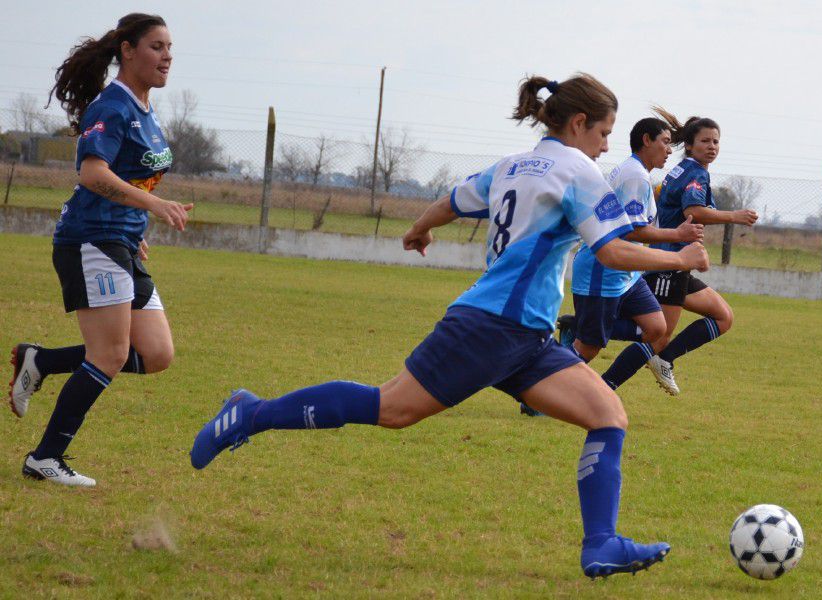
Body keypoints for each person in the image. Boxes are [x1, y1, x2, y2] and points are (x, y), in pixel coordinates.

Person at [189, 74, 708, 578]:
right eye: (603, 132)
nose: (605, 144)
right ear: (578, 123)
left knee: (607, 413)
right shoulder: (577, 170)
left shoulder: (512, 165)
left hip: (525, 336)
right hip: (491, 326)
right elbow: (613, 250)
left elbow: (454, 201)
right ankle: (250, 414)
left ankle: (601, 545)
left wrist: (420, 227)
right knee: (391, 408)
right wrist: (680, 257)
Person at [9, 13, 192, 487]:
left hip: (118, 241)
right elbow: (92, 174)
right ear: (127, 51)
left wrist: (136, 225)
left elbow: (124, 178)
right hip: (89, 242)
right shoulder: (112, 107)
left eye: (170, 47)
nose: (166, 56)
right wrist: (153, 204)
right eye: (156, 46)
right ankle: (45, 458)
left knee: (155, 353)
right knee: (110, 353)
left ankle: (43, 361)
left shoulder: (144, 110)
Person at [544, 118, 704, 399]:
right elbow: (630, 232)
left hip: (626, 274)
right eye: (665, 142)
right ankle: (541, 388)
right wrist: (677, 234)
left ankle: (579, 327)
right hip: (603, 270)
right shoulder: (635, 176)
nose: (669, 150)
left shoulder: (638, 173)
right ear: (646, 140)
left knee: (657, 328)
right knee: (590, 348)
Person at [636, 107, 758, 395]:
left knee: (723, 317)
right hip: (670, 262)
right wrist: (734, 216)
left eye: (716, 141)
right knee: (657, 337)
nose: (712, 147)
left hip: (677, 262)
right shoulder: (695, 173)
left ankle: (664, 360)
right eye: (705, 141)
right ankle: (599, 379)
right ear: (689, 145)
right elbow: (693, 210)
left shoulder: (684, 169)